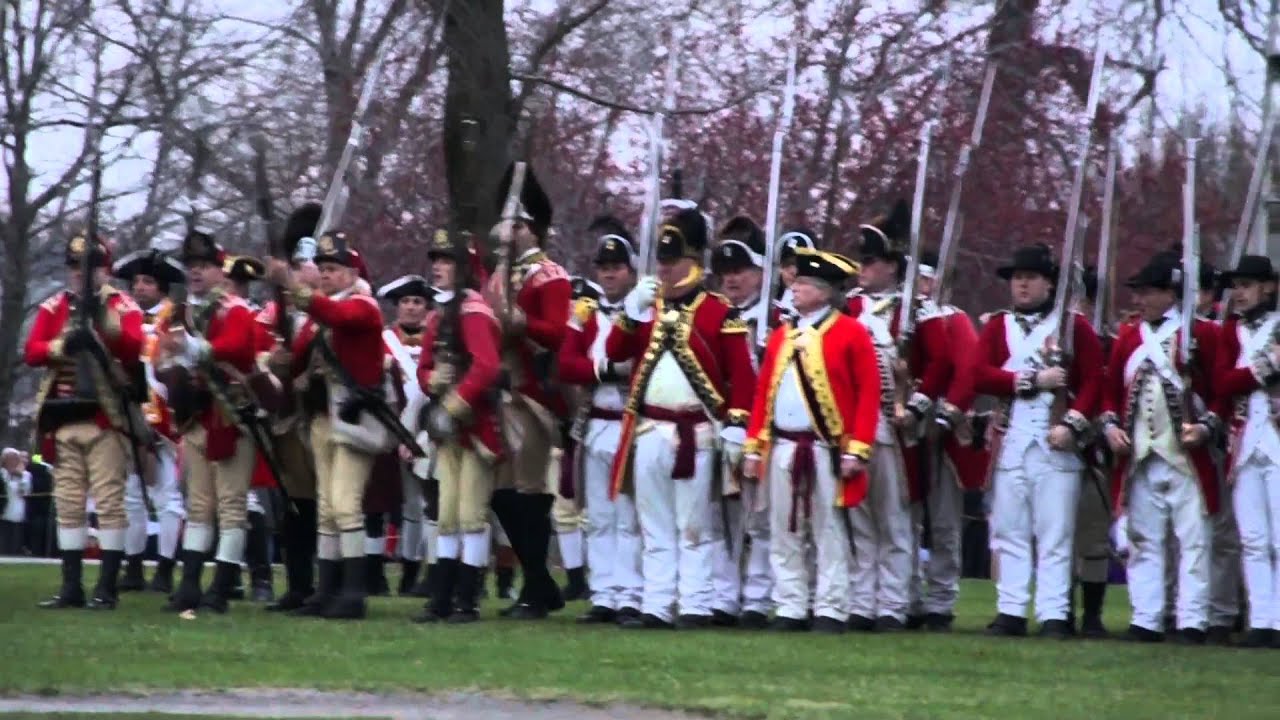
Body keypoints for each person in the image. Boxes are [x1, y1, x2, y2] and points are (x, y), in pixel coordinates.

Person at [605, 203, 757, 629]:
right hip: (650, 428)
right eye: (663, 262)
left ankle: (694, 603)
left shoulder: (718, 312)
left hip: (698, 430)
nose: (666, 270)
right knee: (654, 527)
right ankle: (656, 604)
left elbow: (742, 377)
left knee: (695, 526)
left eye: (675, 262)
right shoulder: (644, 307)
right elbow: (615, 354)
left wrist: (737, 425)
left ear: (695, 262)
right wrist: (630, 313)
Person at [742, 248, 879, 633]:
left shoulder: (852, 333)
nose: (795, 289)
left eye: (802, 284)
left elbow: (868, 395)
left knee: (829, 530)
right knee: (784, 529)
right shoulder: (783, 335)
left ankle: (831, 607)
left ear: (824, 291)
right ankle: (790, 605)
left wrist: (858, 449)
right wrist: (755, 446)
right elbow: (763, 395)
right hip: (783, 446)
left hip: (826, 447)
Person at [973, 243, 1104, 638]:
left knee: (1055, 535)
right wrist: (1027, 381)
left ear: (1049, 283)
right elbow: (979, 374)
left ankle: (1054, 613)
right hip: (1012, 441)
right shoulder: (998, 326)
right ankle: (1011, 610)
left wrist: (1073, 424)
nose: (1022, 285)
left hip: (1056, 444)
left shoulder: (1073, 326)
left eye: (1030, 278)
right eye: (1017, 278)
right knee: (1010, 532)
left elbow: (1095, 381)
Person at [267, 228, 387, 620]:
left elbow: (338, 316)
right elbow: (300, 356)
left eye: (334, 268)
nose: (327, 274)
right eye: (323, 268)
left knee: (345, 505)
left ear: (352, 274)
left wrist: (292, 286)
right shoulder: (316, 316)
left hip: (354, 414)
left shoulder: (362, 305)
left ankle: (354, 591)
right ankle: (327, 589)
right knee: (326, 510)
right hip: (322, 415)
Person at [1101, 251, 1220, 645]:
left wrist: (1204, 426)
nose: (1140, 299)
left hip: (1185, 455)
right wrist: (1111, 426)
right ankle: (1146, 617)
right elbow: (1110, 391)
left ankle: (1191, 620)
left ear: (1172, 293)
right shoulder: (1129, 337)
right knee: (1143, 541)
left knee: (1194, 541)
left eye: (1149, 291)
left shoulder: (1202, 334)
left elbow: (1220, 392)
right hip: (1140, 455)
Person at [844, 202, 952, 632]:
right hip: (854, 427)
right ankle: (861, 602)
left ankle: (892, 604)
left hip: (895, 427)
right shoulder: (849, 308)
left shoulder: (916, 310)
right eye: (862, 261)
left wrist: (917, 405)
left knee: (895, 521)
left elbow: (942, 364)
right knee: (858, 521)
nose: (862, 269)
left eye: (870, 262)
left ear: (892, 266)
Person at [25, 233, 144, 609]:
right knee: (69, 503)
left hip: (104, 417)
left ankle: (107, 588)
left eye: (88, 267)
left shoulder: (121, 305)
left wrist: (100, 323)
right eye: (74, 267)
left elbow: (131, 345)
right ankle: (71, 586)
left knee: (109, 502)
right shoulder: (54, 306)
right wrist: (63, 345)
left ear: (104, 270)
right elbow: (33, 351)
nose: (79, 274)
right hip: (63, 417)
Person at [484, 165, 572, 620]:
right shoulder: (500, 274)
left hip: (534, 394)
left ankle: (536, 586)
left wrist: (520, 322)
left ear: (530, 227)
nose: (505, 231)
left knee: (528, 491)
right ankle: (539, 581)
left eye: (514, 224)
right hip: (499, 391)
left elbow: (558, 334)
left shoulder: (549, 275)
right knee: (501, 493)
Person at [154, 231, 258, 615]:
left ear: (220, 270)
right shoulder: (179, 313)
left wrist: (193, 350)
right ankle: (190, 587)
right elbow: (162, 356)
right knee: (198, 506)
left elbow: (239, 349)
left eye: (204, 266)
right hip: (196, 416)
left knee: (231, 506)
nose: (196, 273)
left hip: (229, 416)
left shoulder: (236, 309)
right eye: (192, 267)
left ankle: (221, 587)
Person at [412, 230, 503, 623]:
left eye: (446, 260)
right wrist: (431, 381)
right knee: (446, 513)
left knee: (471, 514)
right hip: (448, 429)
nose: (438, 266)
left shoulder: (474, 312)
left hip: (475, 424)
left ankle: (467, 598)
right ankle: (442, 597)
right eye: (436, 259)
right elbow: (425, 365)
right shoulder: (437, 315)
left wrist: (454, 403)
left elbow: (487, 366)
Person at [557, 219, 643, 624]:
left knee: (628, 516)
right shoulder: (585, 312)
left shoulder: (644, 311)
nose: (609, 274)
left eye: (617, 267)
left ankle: (630, 594)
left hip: (631, 424)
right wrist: (608, 368)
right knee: (598, 517)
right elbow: (566, 365)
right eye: (603, 267)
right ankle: (604, 593)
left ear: (630, 270)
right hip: (595, 421)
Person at [704, 215, 774, 628]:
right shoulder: (713, 314)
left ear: (759, 272)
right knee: (722, 518)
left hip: (763, 429)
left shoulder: (779, 316)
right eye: (726, 272)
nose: (732, 280)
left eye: (741, 271)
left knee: (761, 518)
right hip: (719, 423)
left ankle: (758, 598)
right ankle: (724, 596)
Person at [258, 204, 324, 613]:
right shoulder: (277, 310)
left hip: (320, 413)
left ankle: (320, 583)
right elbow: (263, 348)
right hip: (287, 416)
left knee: (322, 504)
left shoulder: (324, 308)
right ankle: (298, 583)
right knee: (292, 506)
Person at [112, 248, 188, 594]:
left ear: (162, 288)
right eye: (136, 281)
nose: (140, 287)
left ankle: (166, 566)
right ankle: (133, 564)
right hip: (128, 415)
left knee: (168, 497)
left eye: (147, 281)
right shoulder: (123, 319)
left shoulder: (175, 320)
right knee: (130, 495)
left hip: (166, 421)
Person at [1213, 254, 1280, 649]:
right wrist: (1263, 369)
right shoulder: (1231, 332)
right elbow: (1222, 383)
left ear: (1267, 288)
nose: (1238, 293)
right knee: (1253, 539)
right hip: (1245, 442)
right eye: (1236, 286)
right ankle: (1261, 619)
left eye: (1246, 285)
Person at [377, 273, 433, 595]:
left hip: (428, 430)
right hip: (390, 430)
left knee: (425, 505)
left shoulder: (436, 340)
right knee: (398, 504)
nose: (411, 308)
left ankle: (419, 568)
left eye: (417, 302)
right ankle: (396, 568)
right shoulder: (384, 340)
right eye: (406, 302)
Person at [1, 448, 32, 555]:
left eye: (15, 459)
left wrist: (20, 477)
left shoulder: (26, 475)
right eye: (9, 459)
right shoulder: (2, 473)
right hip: (3, 512)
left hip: (18, 512)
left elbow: (24, 492)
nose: (12, 462)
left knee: (15, 543)